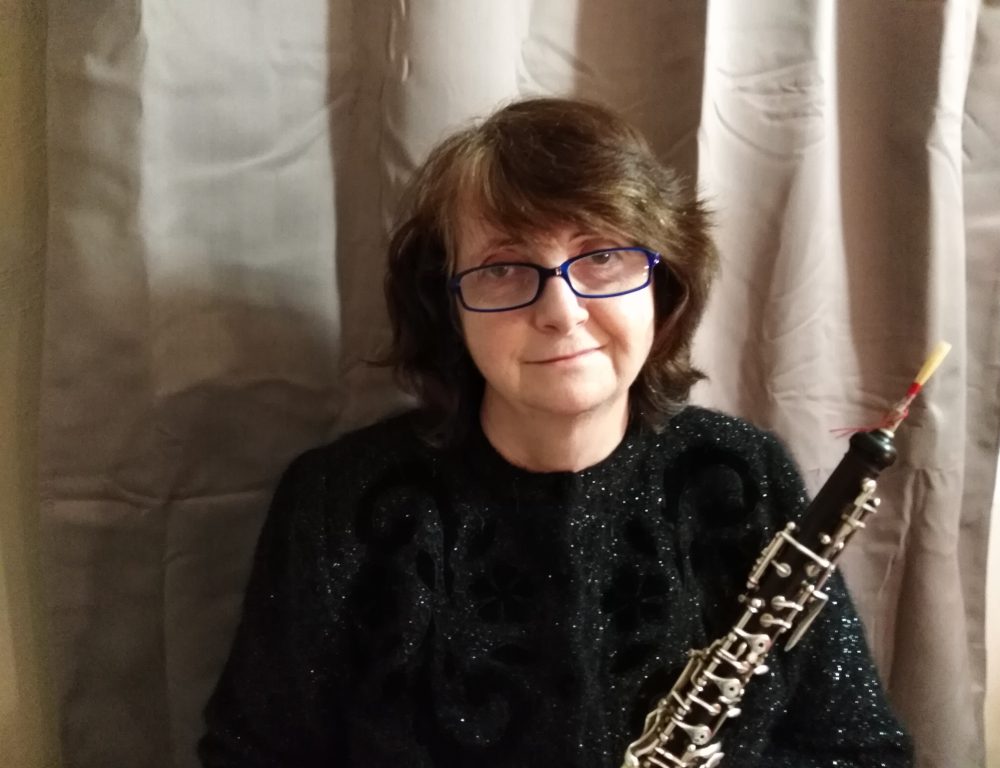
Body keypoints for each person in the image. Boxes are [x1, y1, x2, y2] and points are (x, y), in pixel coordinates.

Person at [198, 97, 913, 767]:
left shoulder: (740, 474)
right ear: (448, 304)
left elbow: (862, 751)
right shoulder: (342, 502)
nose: (561, 312)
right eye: (505, 268)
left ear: (663, 283)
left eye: (602, 257)